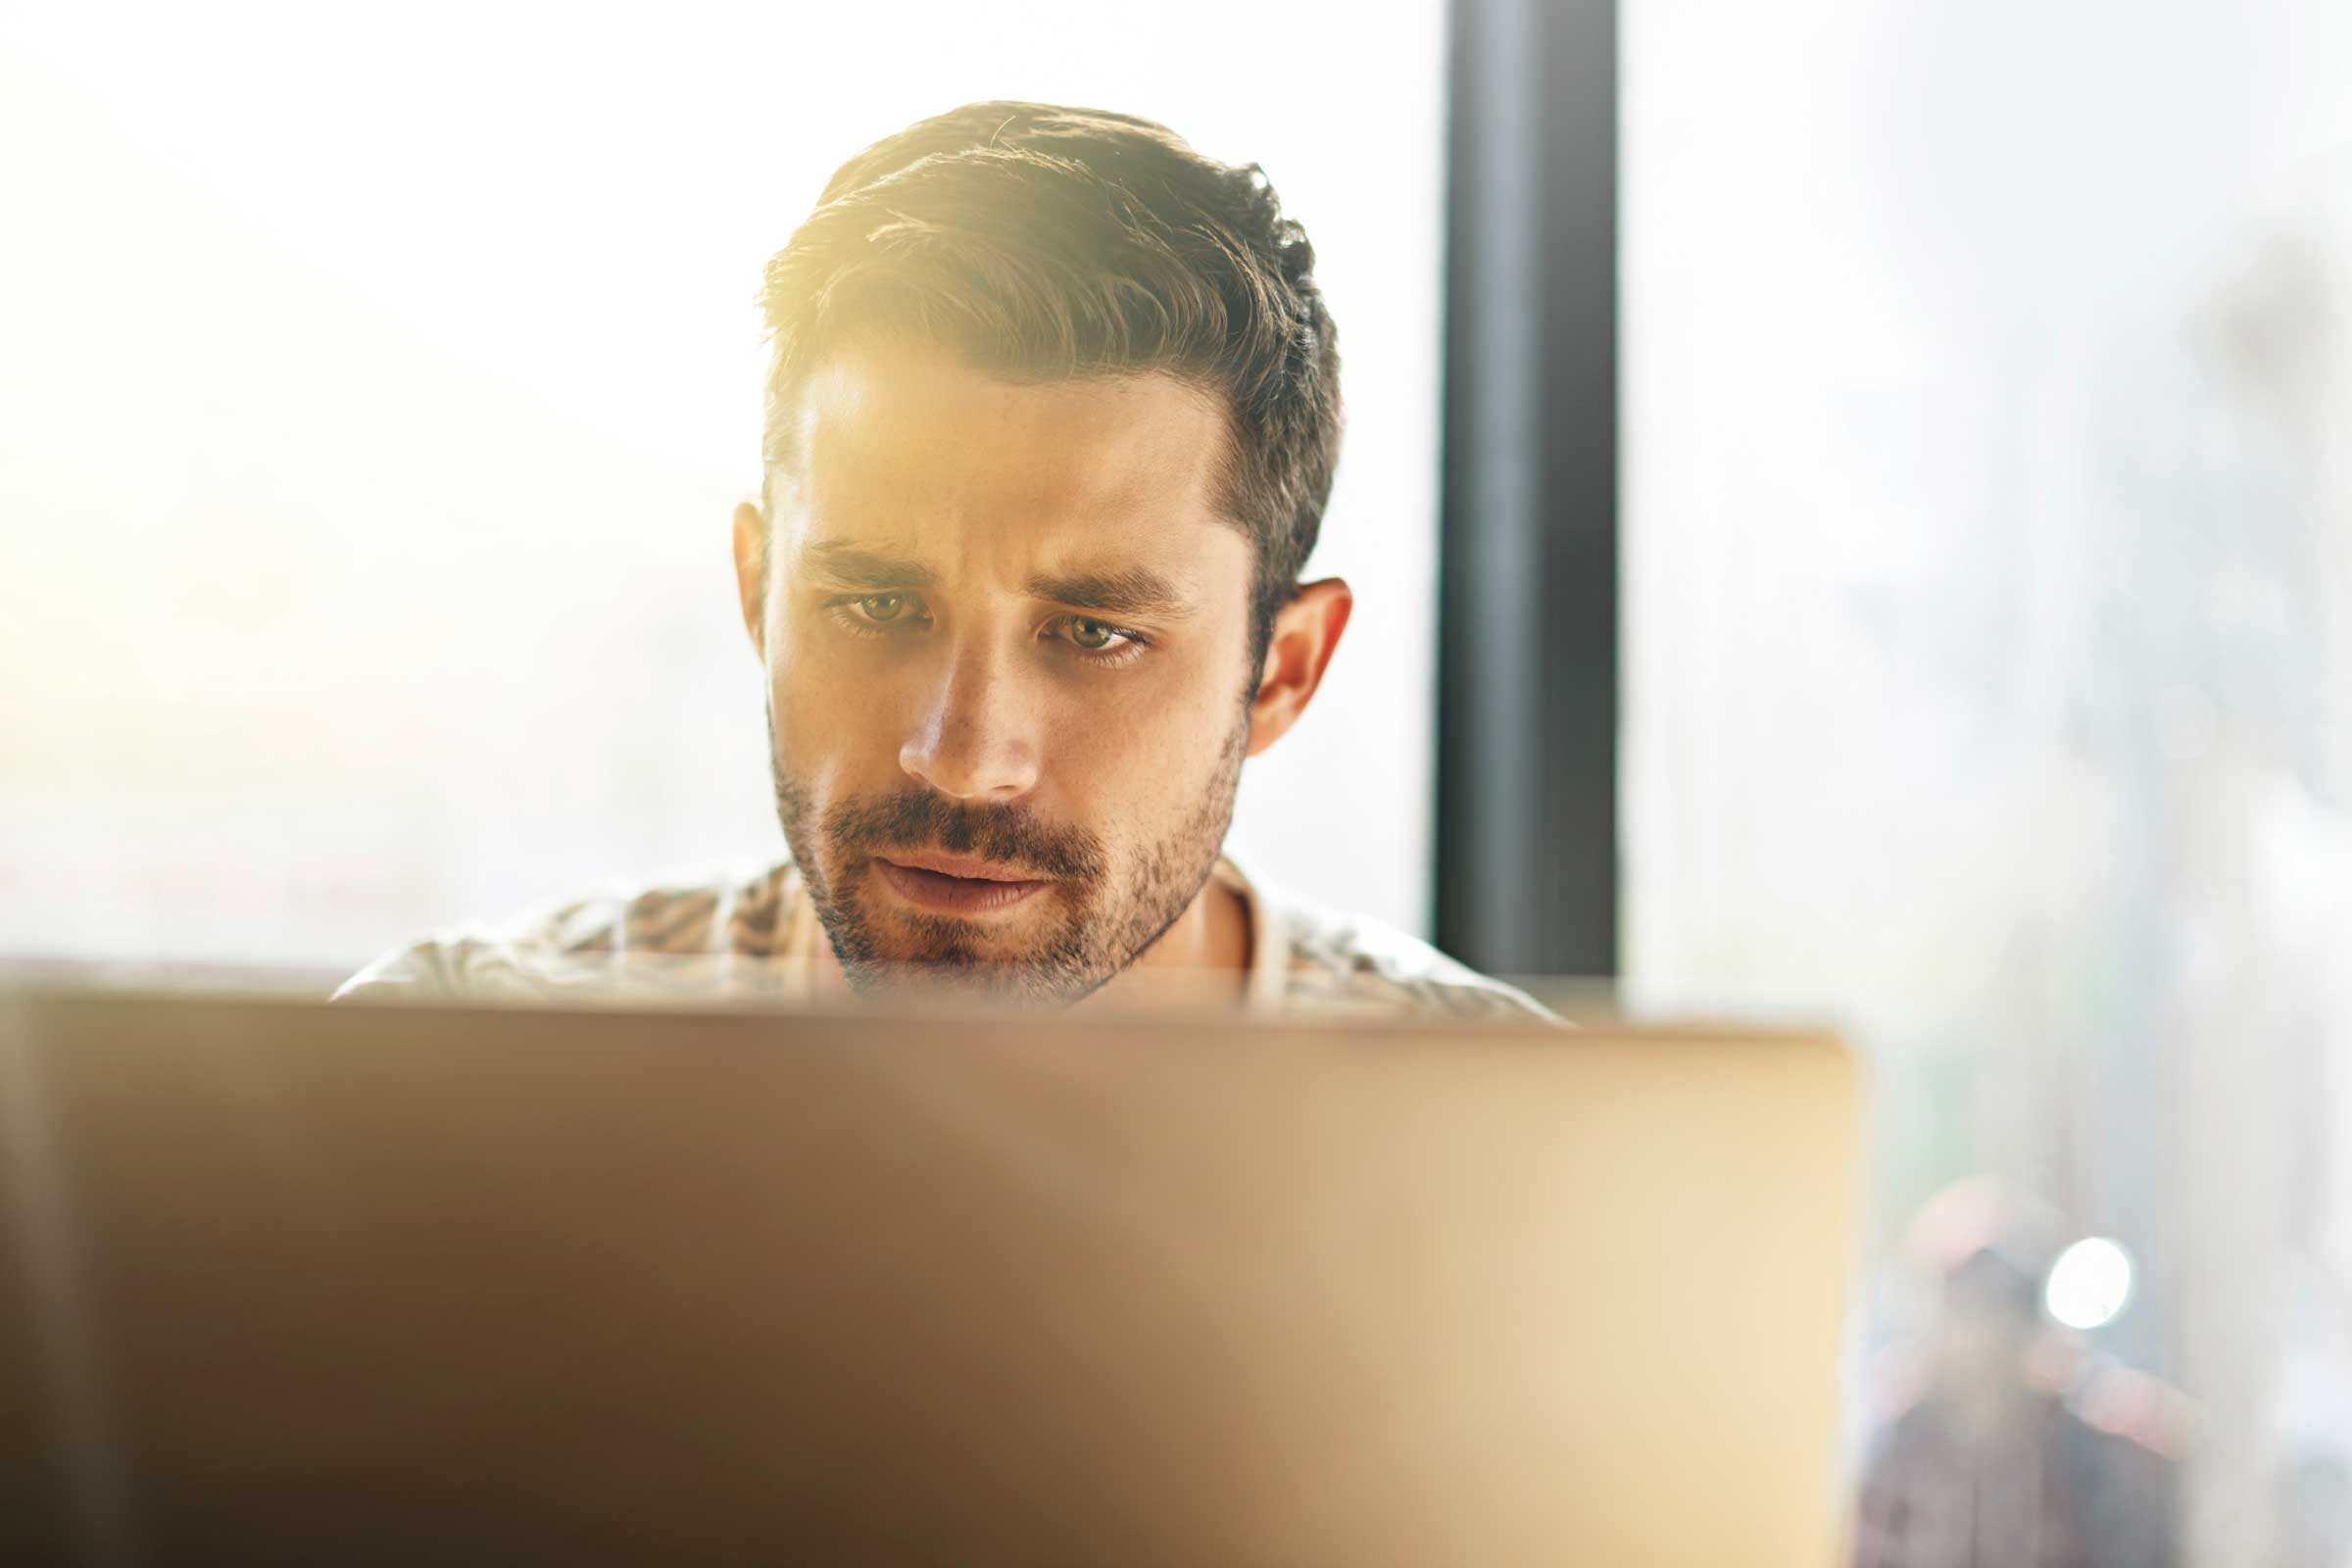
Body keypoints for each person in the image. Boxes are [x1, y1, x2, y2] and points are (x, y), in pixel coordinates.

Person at [339, 102, 1546, 1020]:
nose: (962, 758)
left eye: (1093, 633)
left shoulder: (1537, 1156)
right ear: (760, 592)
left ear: (1280, 671)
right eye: (873, 601)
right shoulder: (433, 1070)